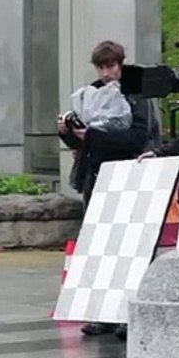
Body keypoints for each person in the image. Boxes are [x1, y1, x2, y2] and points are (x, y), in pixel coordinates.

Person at [58, 40, 152, 339]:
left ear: (121, 64)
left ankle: (127, 313)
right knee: (99, 247)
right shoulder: (92, 93)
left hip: (127, 175)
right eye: (102, 66)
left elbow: (137, 138)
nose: (107, 72)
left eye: (111, 65)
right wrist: (71, 134)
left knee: (128, 247)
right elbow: (85, 142)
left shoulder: (135, 93)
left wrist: (93, 135)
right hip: (97, 174)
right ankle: (104, 313)